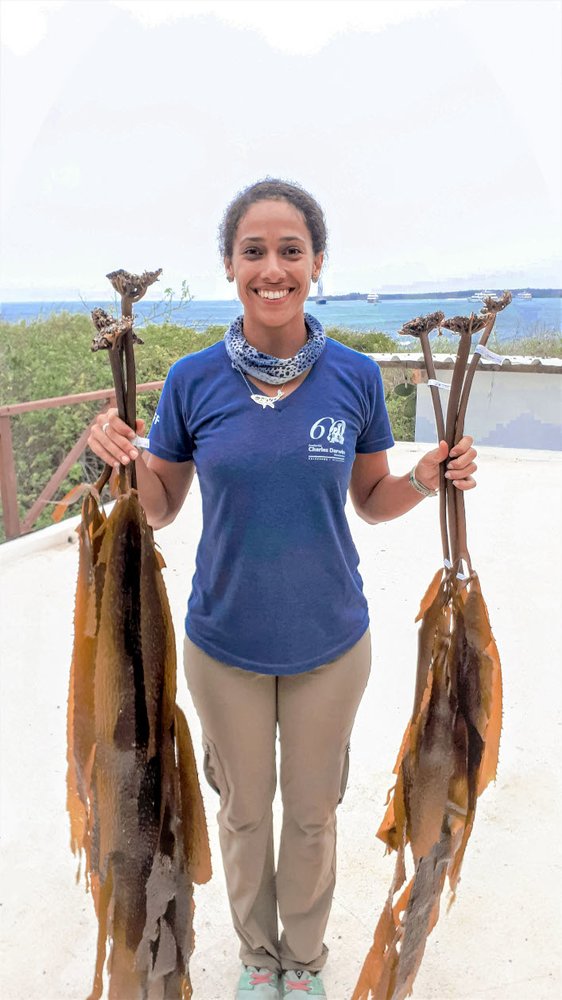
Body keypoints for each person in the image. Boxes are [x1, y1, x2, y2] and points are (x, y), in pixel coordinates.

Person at [87, 178, 477, 1000]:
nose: (273, 268)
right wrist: (124, 461)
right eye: (254, 251)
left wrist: (425, 476)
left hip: (330, 642)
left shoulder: (354, 377)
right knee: (242, 813)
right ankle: (257, 956)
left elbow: (371, 503)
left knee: (310, 814)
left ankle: (303, 963)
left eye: (290, 251)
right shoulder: (193, 381)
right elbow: (156, 511)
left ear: (317, 263)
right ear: (229, 265)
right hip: (222, 641)